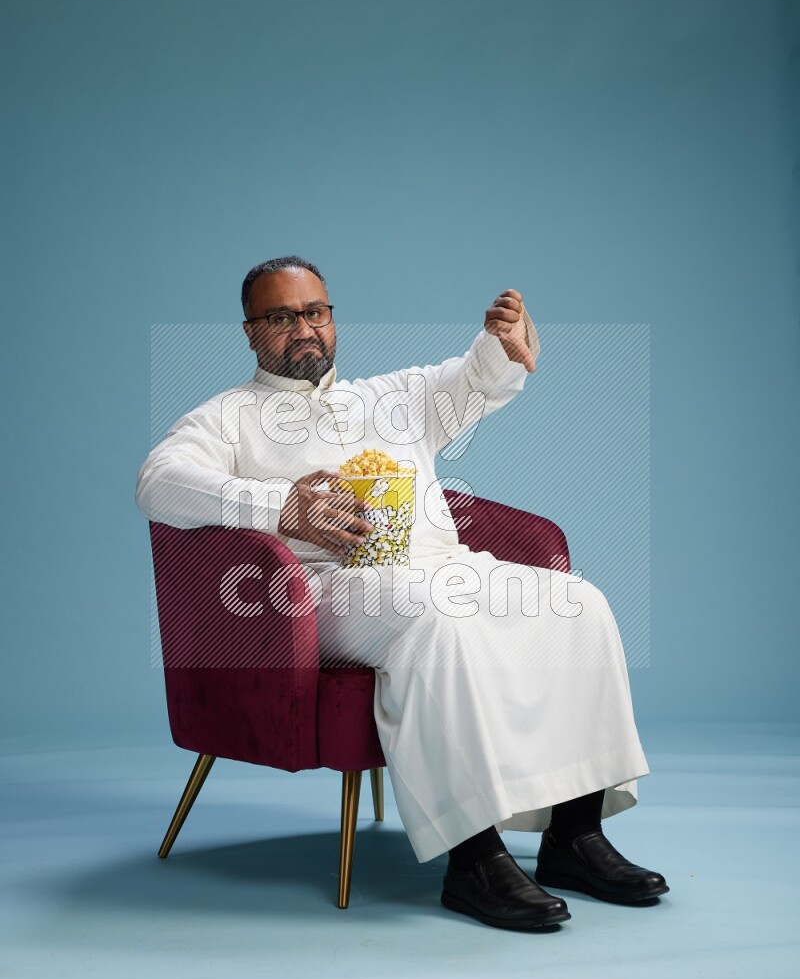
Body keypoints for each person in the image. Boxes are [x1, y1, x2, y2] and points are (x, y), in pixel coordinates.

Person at [136, 254, 669, 931]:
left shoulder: (391, 395)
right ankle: (473, 859)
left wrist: (502, 346)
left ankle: (575, 837)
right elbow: (157, 482)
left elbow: (478, 378)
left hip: (442, 565)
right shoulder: (227, 417)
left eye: (315, 312)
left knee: (578, 605)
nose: (303, 327)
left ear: (332, 319)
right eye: (281, 316)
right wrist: (277, 507)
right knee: (437, 622)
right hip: (323, 591)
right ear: (250, 331)